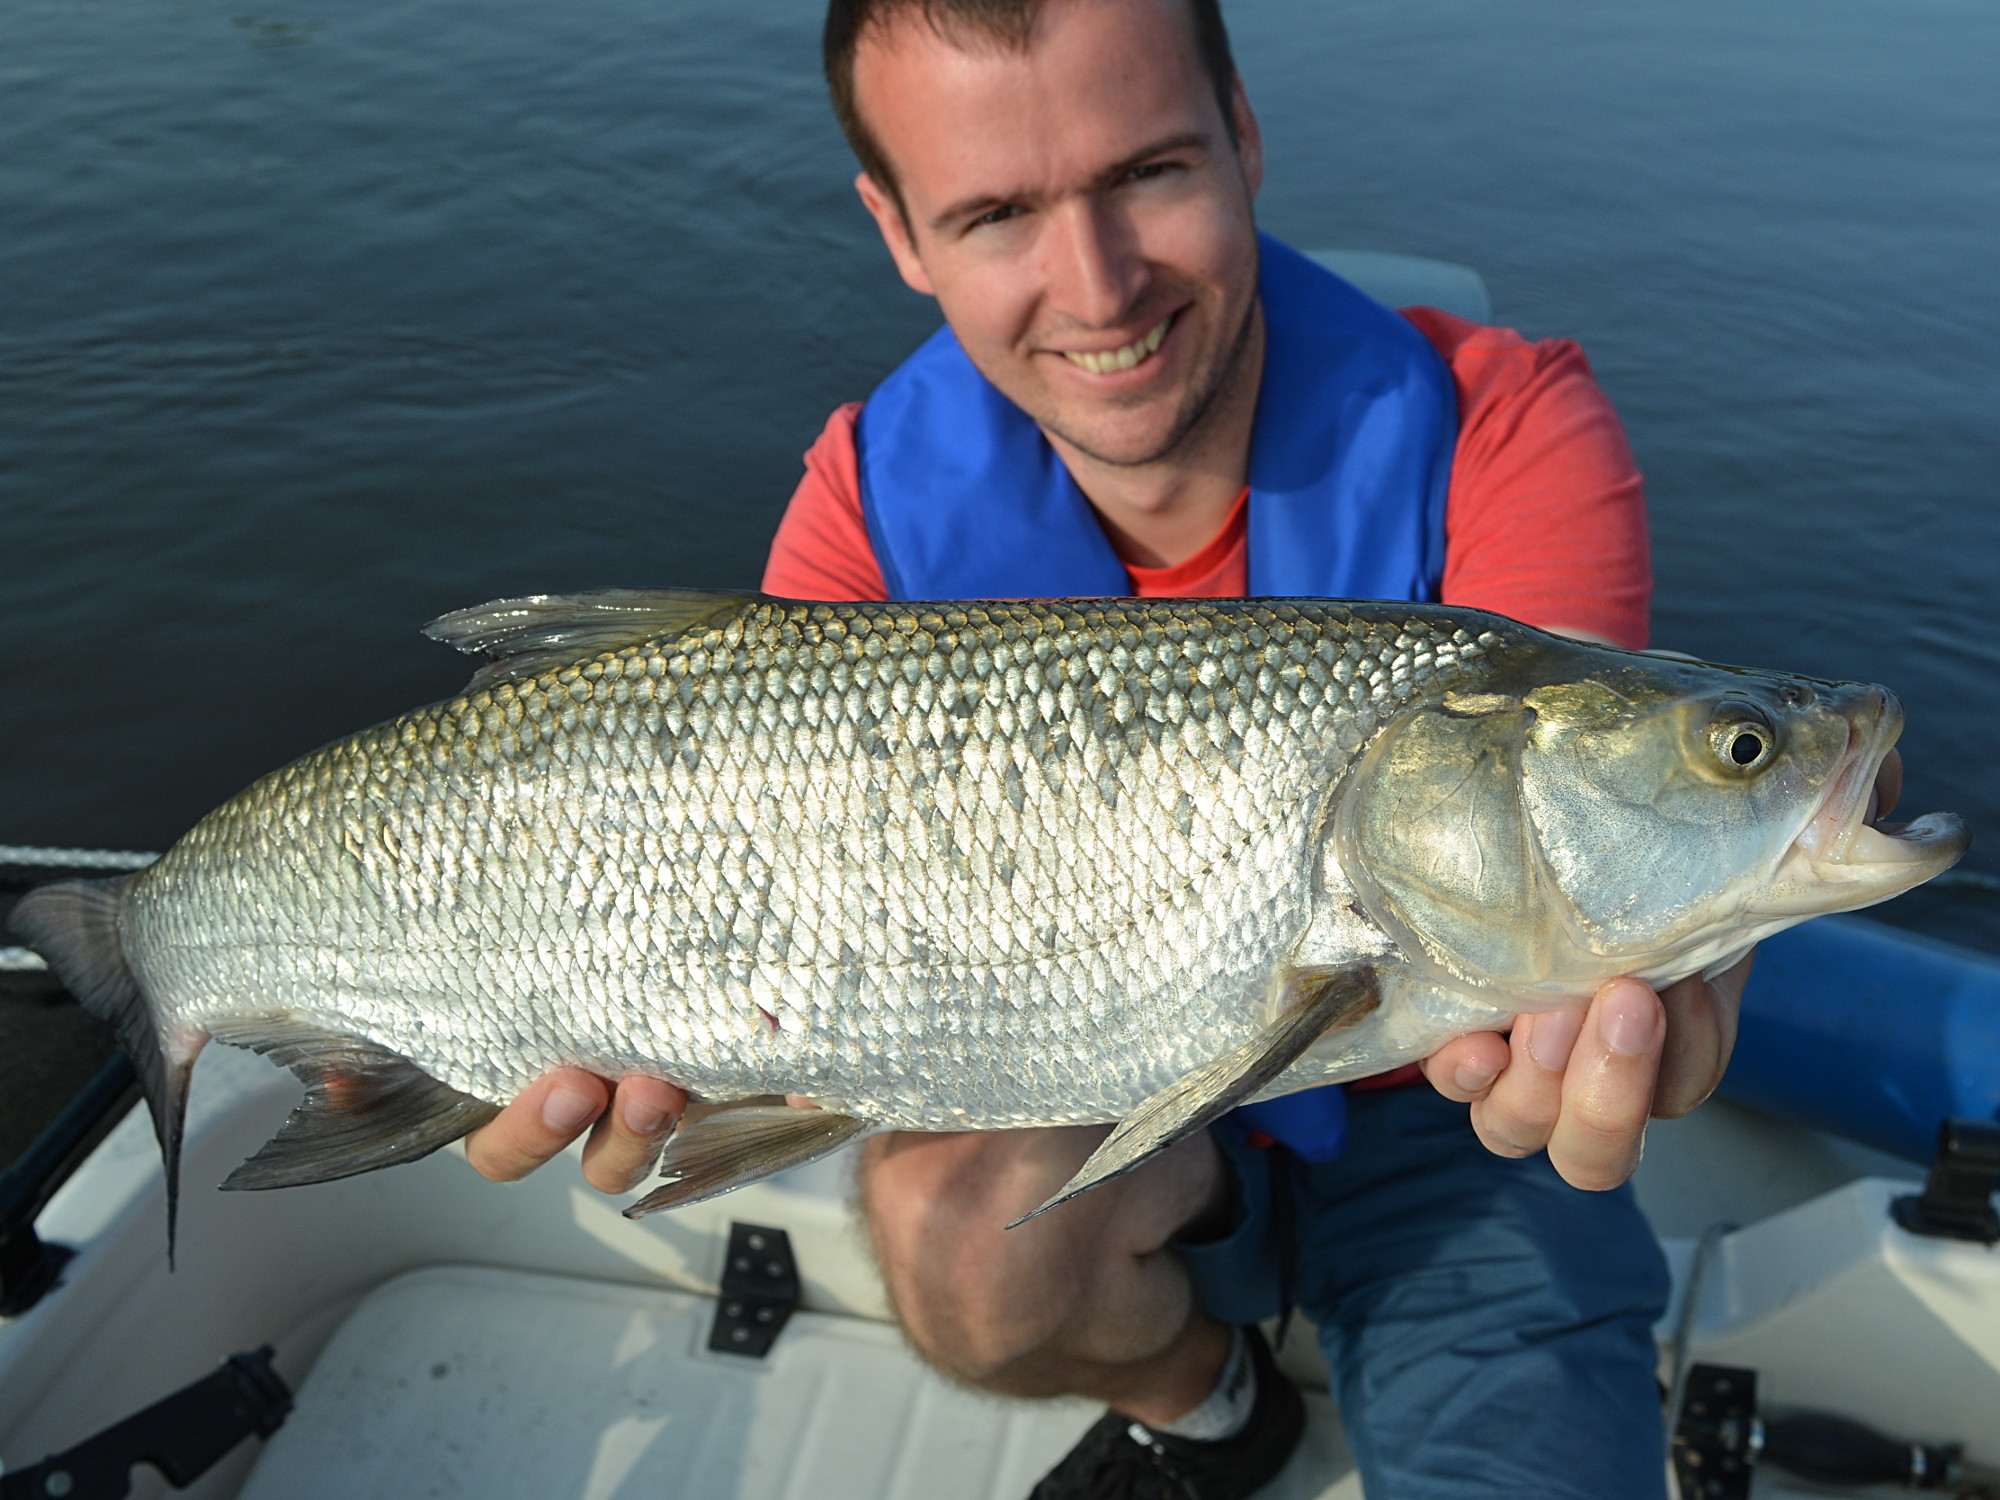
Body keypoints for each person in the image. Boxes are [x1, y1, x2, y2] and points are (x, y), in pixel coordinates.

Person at [465, 0, 1777, 1494]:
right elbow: (797, 941)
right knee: (961, 1249)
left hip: (1465, 1131)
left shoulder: (1510, 424)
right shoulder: (862, 515)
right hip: (1083, 1087)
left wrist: (1691, 932)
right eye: (996, 213)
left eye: (1148, 172)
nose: (1096, 287)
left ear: (1245, 133)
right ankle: (1208, 1404)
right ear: (896, 231)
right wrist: (659, 1032)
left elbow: (1581, 813)